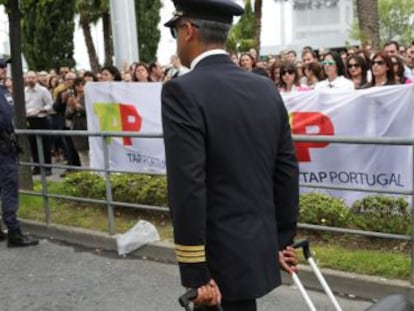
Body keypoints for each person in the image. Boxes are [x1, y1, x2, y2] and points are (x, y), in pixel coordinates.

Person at [162, 1, 299, 310]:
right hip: (255, 246)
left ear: (188, 31)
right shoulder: (264, 88)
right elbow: (286, 169)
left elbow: (187, 185)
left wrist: (195, 270)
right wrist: (280, 240)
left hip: (216, 257)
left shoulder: (182, 91)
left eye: (176, 31)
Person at [0, 57, 39, 247]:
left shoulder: (2, 89)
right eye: (0, 67)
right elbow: (6, 118)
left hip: (5, 144)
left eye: (3, 66)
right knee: (9, 187)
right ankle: (14, 232)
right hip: (2, 147)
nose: (3, 70)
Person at [25, 71, 53, 176]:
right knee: (33, 145)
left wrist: (41, 110)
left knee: (45, 144)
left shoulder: (43, 90)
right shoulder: (25, 91)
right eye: (28, 78)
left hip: (41, 119)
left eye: (32, 78)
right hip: (29, 120)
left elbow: (50, 104)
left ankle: (47, 167)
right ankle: (37, 166)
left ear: (36, 78)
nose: (30, 80)